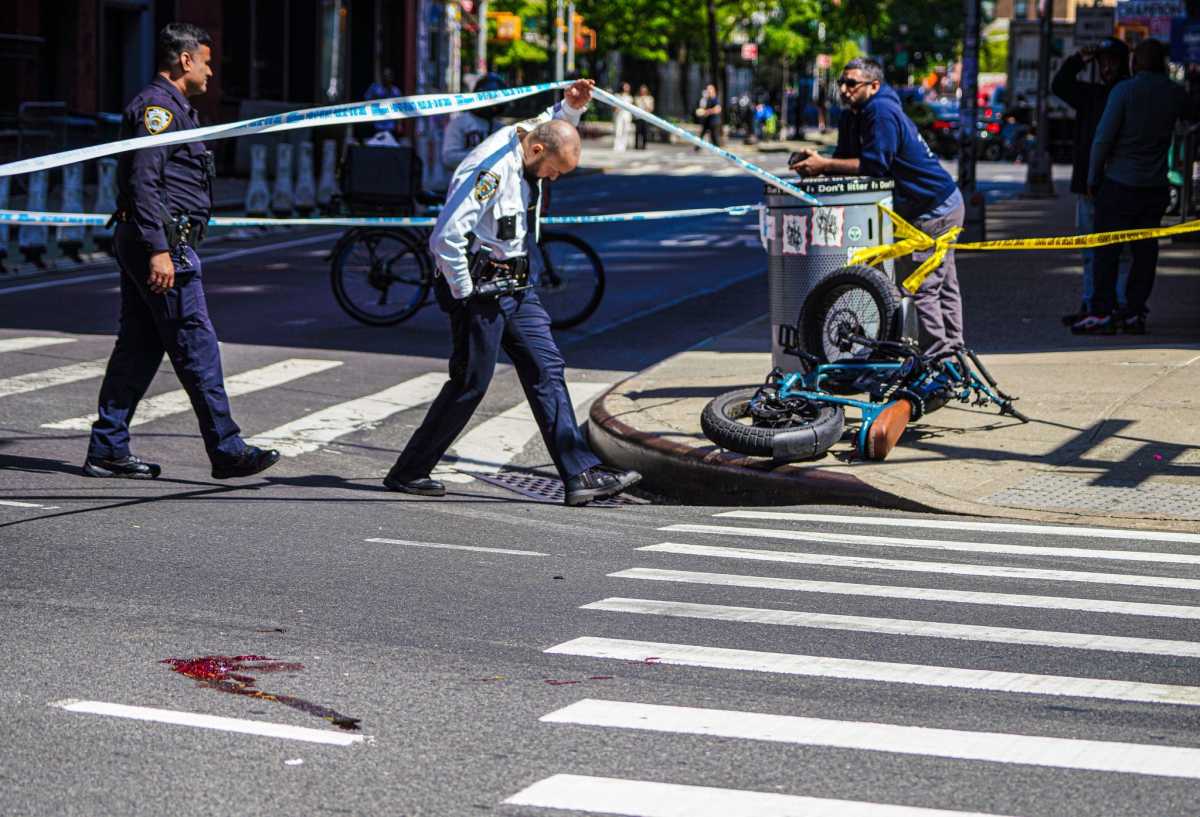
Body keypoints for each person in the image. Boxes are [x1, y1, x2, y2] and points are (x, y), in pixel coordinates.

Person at [383, 79, 641, 507]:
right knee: (471, 383)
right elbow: (445, 236)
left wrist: (573, 108)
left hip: (517, 282)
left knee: (547, 367)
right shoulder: (490, 170)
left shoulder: (533, 138)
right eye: (554, 170)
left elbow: (553, 123)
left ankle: (580, 474)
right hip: (478, 287)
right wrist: (466, 294)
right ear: (536, 152)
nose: (553, 179)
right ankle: (409, 470)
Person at [84, 23, 279, 480]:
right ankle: (227, 450)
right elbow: (144, 182)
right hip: (164, 242)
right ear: (185, 60)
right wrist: (159, 250)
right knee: (197, 345)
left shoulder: (176, 108)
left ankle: (108, 447)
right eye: (207, 62)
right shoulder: (159, 109)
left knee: (139, 346)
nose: (211, 72)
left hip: (157, 239)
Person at [789, 57, 964, 359]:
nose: (844, 89)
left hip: (933, 210)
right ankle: (953, 356)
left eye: (851, 83)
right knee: (942, 285)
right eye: (841, 83)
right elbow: (846, 159)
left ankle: (938, 361)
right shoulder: (853, 114)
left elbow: (874, 166)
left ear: (874, 85)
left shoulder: (881, 112)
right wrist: (818, 164)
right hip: (928, 206)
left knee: (923, 289)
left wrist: (826, 164)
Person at [1077, 38, 1200, 334]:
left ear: (1136, 63)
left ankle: (1102, 312)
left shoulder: (1124, 91)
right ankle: (1134, 311)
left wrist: (1093, 177)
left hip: (1119, 184)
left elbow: (1103, 138)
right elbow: (1194, 115)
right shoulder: (1173, 93)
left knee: (1107, 250)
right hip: (1154, 187)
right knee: (1145, 253)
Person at [1052, 37, 1131, 327]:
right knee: (1090, 249)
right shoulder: (1092, 95)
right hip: (1089, 185)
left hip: (1118, 183)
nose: (1107, 66)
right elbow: (1059, 85)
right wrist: (1078, 59)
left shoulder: (1127, 93)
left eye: (1112, 60)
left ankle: (1119, 304)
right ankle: (1091, 303)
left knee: (1121, 249)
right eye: (1102, 61)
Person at [442, 73, 508, 175]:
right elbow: (449, 158)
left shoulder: (501, 128)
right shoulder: (459, 124)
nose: (494, 107)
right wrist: (482, 156)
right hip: (463, 183)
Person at [364, 68, 402, 137]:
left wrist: (399, 124)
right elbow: (366, 101)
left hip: (390, 125)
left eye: (388, 76)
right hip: (377, 124)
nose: (386, 78)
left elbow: (400, 109)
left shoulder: (395, 91)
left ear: (392, 78)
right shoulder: (375, 88)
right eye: (385, 76)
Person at [696, 83, 721, 148]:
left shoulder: (715, 99)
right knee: (701, 135)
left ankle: (718, 150)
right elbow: (703, 108)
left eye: (709, 89)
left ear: (713, 90)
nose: (708, 91)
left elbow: (718, 109)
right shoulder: (707, 99)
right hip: (707, 121)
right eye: (707, 90)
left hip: (714, 122)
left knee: (714, 138)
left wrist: (707, 112)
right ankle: (697, 148)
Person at [612, 82, 634, 152]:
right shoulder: (617, 95)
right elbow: (614, 107)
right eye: (626, 86)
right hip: (618, 116)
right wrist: (616, 109)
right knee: (618, 131)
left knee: (625, 131)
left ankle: (623, 146)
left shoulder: (629, 97)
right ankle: (616, 146)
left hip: (627, 116)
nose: (627, 88)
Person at [633, 84, 654, 150]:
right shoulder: (637, 98)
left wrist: (644, 101)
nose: (643, 91)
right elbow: (635, 107)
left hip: (646, 117)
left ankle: (644, 146)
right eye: (641, 90)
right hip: (638, 117)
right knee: (637, 132)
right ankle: (636, 146)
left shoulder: (650, 98)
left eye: (644, 90)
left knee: (645, 132)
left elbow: (650, 108)